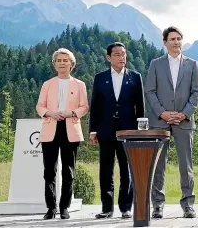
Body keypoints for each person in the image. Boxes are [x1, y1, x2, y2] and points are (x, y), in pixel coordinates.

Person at [145, 26, 198, 219]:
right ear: (165, 42)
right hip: (160, 122)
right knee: (158, 165)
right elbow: (150, 91)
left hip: (184, 122)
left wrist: (184, 114)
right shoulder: (155, 64)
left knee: (186, 165)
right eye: (172, 39)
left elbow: (196, 93)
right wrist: (162, 113)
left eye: (179, 39)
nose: (176, 42)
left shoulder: (192, 64)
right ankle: (158, 205)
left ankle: (188, 205)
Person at [90, 42, 145, 219]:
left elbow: (140, 107)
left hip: (128, 131)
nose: (122, 57)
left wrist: (140, 131)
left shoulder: (135, 77)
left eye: (123, 54)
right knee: (105, 169)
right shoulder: (100, 78)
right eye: (117, 55)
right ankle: (107, 208)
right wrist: (93, 130)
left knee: (126, 169)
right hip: (105, 130)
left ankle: (125, 207)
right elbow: (95, 106)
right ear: (108, 57)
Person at [36, 48, 89, 220]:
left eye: (65, 60)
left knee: (68, 171)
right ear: (54, 64)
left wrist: (71, 113)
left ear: (72, 64)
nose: (62, 63)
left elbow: (84, 107)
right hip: (50, 128)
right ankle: (51, 208)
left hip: (70, 129)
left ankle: (64, 207)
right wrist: (49, 113)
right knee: (49, 171)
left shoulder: (80, 85)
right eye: (58, 60)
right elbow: (40, 106)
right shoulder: (47, 84)